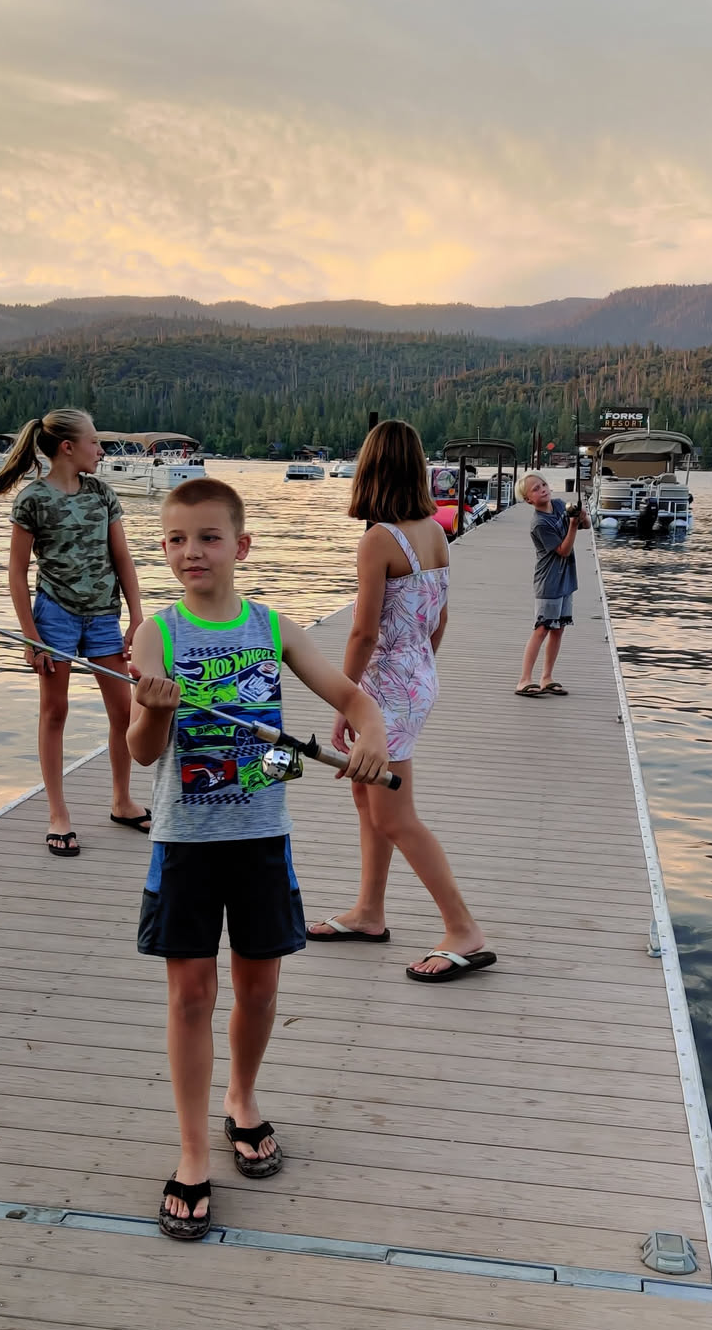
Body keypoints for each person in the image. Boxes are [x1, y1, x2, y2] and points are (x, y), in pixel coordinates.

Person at [127, 476, 390, 1241]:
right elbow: (142, 752)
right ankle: (191, 1154)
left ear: (241, 546)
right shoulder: (156, 636)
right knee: (191, 995)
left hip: (262, 838)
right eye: (177, 540)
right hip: (185, 842)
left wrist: (371, 735)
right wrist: (154, 710)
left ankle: (241, 1099)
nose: (192, 552)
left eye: (209, 538)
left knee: (260, 988)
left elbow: (354, 699)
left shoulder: (273, 627)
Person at [306, 421, 495, 983]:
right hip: (416, 676)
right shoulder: (435, 529)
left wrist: (345, 701)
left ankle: (463, 929)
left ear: (369, 470)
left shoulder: (378, 540)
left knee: (394, 814)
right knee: (367, 798)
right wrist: (419, 671)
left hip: (385, 689)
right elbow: (439, 619)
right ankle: (369, 912)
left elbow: (363, 632)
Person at [0, 409, 148, 857]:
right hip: (54, 617)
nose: (102, 450)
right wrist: (30, 636)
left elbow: (123, 559)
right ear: (67, 447)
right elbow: (17, 573)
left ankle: (121, 800)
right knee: (55, 711)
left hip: (103, 616)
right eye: (95, 442)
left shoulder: (101, 493)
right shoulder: (33, 499)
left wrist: (136, 617)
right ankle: (58, 814)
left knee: (124, 712)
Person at [515, 470, 584, 696]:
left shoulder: (559, 505)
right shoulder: (539, 524)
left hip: (566, 579)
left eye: (543, 484)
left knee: (559, 629)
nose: (542, 489)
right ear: (529, 500)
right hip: (549, 582)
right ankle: (524, 680)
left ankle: (547, 677)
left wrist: (581, 516)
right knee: (542, 628)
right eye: (535, 489)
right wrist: (572, 526)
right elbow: (563, 550)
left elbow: (587, 524)